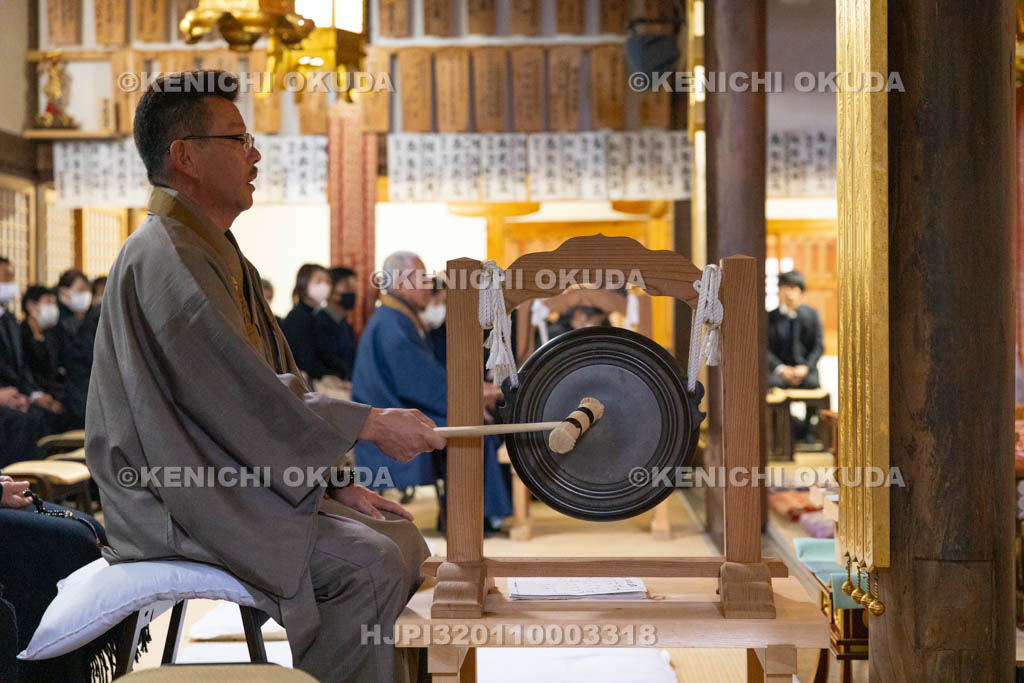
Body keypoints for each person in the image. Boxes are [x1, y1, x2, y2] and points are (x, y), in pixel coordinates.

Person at [86, 71, 445, 683]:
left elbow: (282, 382)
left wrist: (333, 487)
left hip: (227, 479)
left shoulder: (219, 252)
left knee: (402, 539)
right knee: (368, 565)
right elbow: (242, 396)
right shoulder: (164, 255)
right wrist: (371, 423)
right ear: (185, 157)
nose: (255, 154)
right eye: (237, 138)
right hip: (176, 495)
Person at [352, 251, 512, 531]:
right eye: (422, 278)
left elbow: (425, 376)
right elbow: (418, 382)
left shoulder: (398, 316)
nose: (429, 285)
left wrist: (474, 392)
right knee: (471, 428)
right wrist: (472, 395)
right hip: (386, 415)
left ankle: (472, 514)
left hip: (399, 405)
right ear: (401, 282)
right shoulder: (391, 323)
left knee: (474, 421)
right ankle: (473, 519)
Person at [281, 263, 348, 381]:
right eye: (318, 281)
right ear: (303, 283)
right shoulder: (298, 317)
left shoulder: (313, 315)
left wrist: (340, 372)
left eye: (327, 281)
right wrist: (333, 375)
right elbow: (306, 361)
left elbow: (324, 355)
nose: (324, 286)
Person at [767, 270, 824, 389]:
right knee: (773, 385)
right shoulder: (769, 317)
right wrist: (781, 368)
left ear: (801, 292)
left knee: (813, 384)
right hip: (779, 369)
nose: (788, 293)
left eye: (793, 288)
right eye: (784, 287)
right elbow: (764, 349)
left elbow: (818, 346)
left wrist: (805, 367)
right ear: (779, 291)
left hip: (805, 368)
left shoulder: (812, 314)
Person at [20, 286, 65, 403]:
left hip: (54, 387)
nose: (53, 307)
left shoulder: (51, 335)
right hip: (32, 390)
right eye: (48, 302)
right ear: (31, 306)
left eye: (54, 303)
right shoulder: (20, 334)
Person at [314, 266, 359, 381]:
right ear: (331, 290)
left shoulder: (345, 324)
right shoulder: (319, 322)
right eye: (347, 287)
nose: (352, 293)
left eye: (354, 288)